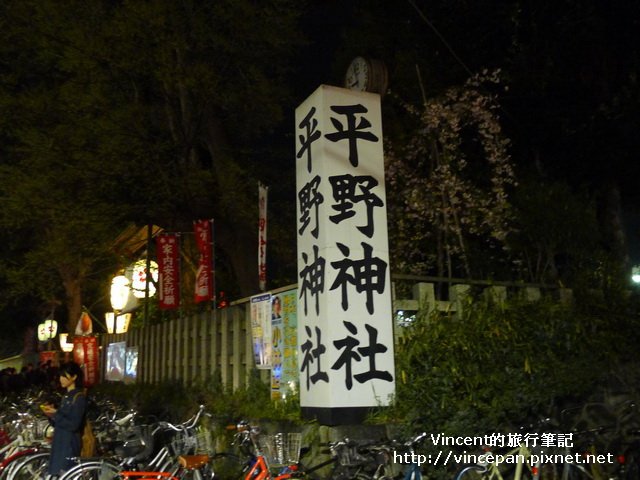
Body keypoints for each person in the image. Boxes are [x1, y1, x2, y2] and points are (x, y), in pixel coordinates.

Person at [41, 362, 87, 478]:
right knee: (60, 474)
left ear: (74, 377)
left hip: (69, 443)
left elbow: (73, 425)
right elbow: (59, 422)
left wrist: (56, 414)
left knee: (67, 474)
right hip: (61, 440)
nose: (61, 379)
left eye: (64, 376)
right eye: (60, 376)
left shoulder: (79, 397)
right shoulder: (66, 396)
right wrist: (50, 414)